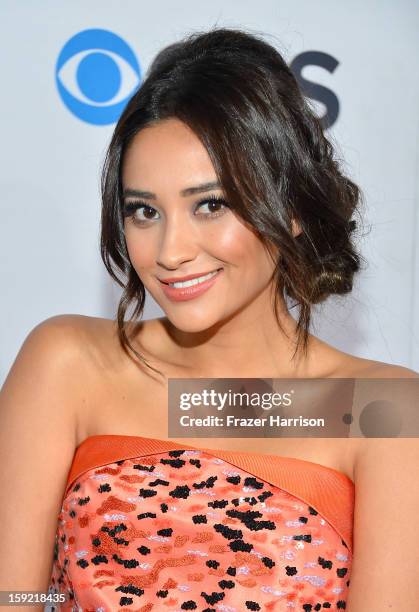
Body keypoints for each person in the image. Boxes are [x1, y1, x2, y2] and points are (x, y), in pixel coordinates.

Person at [1, 26, 418, 612]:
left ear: (292, 205)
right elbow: (11, 597)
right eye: (144, 210)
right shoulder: (66, 362)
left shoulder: (380, 407)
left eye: (210, 205)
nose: (170, 250)